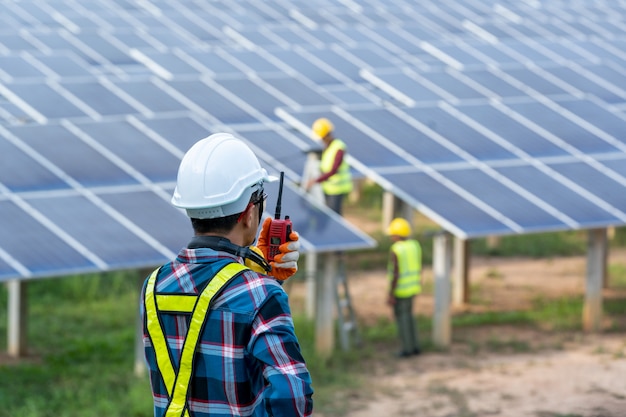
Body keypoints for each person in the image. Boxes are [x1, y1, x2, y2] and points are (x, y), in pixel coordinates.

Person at [140, 133, 314, 417]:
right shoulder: (260, 295)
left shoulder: (153, 286)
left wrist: (260, 276)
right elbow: (293, 399)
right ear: (248, 213)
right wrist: (265, 285)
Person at [386, 217, 422, 358]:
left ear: (396, 235)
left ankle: (407, 349)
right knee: (410, 317)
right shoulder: (415, 245)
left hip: (400, 290)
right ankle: (415, 346)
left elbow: (395, 273)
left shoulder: (396, 249)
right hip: (413, 288)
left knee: (402, 319)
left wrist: (391, 294)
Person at [305, 117, 353, 215]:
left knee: (334, 216)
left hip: (337, 189)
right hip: (328, 188)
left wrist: (315, 181)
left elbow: (333, 170)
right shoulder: (328, 146)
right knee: (329, 215)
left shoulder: (339, 147)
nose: (321, 140)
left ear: (327, 135)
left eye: (322, 138)